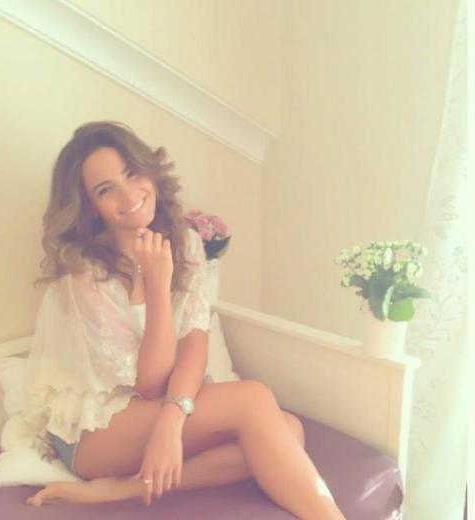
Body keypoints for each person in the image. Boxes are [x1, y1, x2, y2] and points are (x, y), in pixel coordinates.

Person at [23, 121, 346, 519]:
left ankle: (121, 490)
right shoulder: (85, 277)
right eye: (106, 190)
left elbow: (195, 340)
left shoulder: (186, 241)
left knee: (288, 430)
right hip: (92, 431)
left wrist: (172, 423)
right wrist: (158, 285)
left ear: (149, 170)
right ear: (91, 206)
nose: (129, 195)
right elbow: (149, 385)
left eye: (132, 173)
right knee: (254, 400)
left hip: (154, 407)